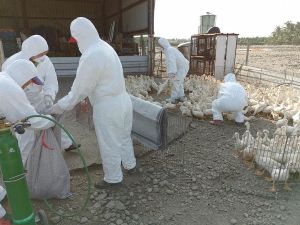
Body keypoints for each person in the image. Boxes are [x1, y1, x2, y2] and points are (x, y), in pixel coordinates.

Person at [51, 17, 136, 189]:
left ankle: (113, 179)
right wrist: (85, 97)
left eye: (76, 40)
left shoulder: (91, 55)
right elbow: (97, 80)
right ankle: (130, 165)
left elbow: (78, 90)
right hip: (123, 101)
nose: (75, 44)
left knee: (109, 143)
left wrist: (58, 107)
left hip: (108, 107)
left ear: (80, 37)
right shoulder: (105, 47)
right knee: (124, 137)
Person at [0, 59, 55, 225]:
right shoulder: (9, 88)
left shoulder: (4, 80)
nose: (29, 86)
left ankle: (2, 195)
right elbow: (29, 119)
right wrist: (51, 120)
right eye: (29, 82)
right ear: (22, 77)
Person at [2, 35, 76, 151]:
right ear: (29, 53)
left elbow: (51, 80)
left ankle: (66, 143)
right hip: (22, 99)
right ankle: (26, 161)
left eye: (45, 53)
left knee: (50, 120)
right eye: (40, 54)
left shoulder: (45, 61)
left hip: (40, 98)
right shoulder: (11, 64)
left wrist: (49, 95)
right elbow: (27, 118)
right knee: (27, 131)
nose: (43, 57)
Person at [157, 37, 189, 104]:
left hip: (181, 68)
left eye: (160, 45)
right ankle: (181, 96)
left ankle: (173, 99)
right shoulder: (170, 49)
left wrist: (172, 72)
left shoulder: (169, 50)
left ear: (163, 44)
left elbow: (171, 61)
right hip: (183, 66)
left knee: (176, 82)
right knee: (179, 82)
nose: (160, 46)